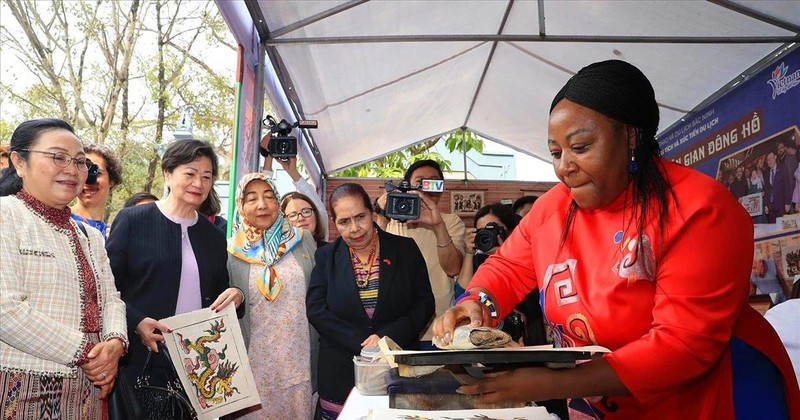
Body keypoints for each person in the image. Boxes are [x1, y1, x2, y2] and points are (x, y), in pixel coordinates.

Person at [432, 60, 800, 418]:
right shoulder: (553, 209)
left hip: (703, 400)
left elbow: (681, 345)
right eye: (556, 153)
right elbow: (508, 268)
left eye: (580, 147)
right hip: (600, 403)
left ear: (632, 136)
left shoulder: (699, 209)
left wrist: (549, 384)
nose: (564, 167)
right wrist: (477, 305)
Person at [0, 118, 128, 418]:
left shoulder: (90, 235)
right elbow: (4, 308)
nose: (71, 170)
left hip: (88, 389)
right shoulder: (7, 215)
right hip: (23, 384)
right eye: (57, 157)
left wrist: (114, 345)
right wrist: (87, 352)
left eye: (81, 162)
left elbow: (112, 299)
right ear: (19, 162)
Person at [106, 139, 243, 399]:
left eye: (207, 176)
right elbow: (107, 286)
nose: (199, 183)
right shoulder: (133, 220)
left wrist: (236, 294)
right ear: (168, 174)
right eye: (190, 173)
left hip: (195, 362)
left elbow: (219, 290)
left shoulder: (212, 235)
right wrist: (136, 322)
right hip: (141, 355)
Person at [307, 183, 434, 419]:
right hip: (341, 370)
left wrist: (387, 338)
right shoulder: (326, 257)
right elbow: (316, 309)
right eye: (344, 222)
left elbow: (424, 303)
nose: (355, 228)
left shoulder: (405, 249)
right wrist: (363, 342)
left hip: (399, 366)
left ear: (372, 214)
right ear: (334, 224)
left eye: (360, 217)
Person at [226, 173, 318, 419]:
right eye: (252, 198)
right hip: (255, 363)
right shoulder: (232, 250)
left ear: (278, 201)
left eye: (269, 196)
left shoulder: (303, 240)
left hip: (299, 360)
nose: (262, 205)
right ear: (241, 205)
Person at [375, 159, 465, 347]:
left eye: (433, 182)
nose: (425, 188)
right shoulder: (392, 219)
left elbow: (453, 268)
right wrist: (380, 213)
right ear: (406, 187)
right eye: (419, 182)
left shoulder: (450, 221)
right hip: (397, 326)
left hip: (439, 328)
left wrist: (437, 224)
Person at [260, 133, 329, 242]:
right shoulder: (279, 253)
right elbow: (260, 196)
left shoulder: (325, 252)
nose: (301, 218)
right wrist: (268, 156)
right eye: (292, 215)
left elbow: (321, 210)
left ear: (316, 217)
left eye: (306, 212)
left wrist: (292, 171)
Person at [70, 144, 123, 237]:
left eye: (96, 173)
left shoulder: (113, 233)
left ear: (112, 180)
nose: (88, 181)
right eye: (83, 172)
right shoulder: (60, 219)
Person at [765, 151, 793, 223]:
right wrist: (766, 205)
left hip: (781, 206)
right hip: (771, 208)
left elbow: (787, 186)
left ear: (775, 157)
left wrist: (787, 203)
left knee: (782, 228)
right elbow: (767, 190)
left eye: (771, 158)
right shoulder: (767, 173)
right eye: (768, 160)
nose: (770, 161)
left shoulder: (783, 168)